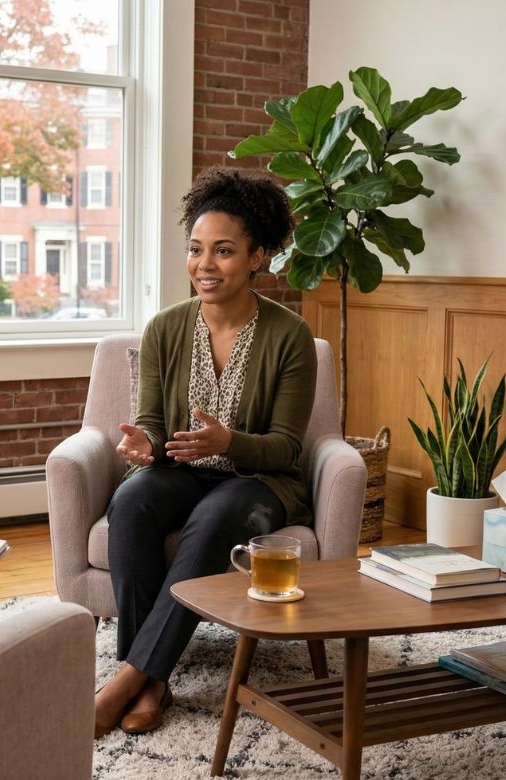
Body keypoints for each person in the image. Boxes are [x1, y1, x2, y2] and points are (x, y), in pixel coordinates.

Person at [93, 167, 316, 738]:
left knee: (217, 516)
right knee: (132, 501)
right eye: (196, 249)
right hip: (183, 471)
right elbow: (151, 424)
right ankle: (152, 682)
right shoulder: (164, 329)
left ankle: (129, 679)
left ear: (257, 256)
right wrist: (144, 445)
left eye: (223, 250)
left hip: (259, 482)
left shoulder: (290, 335)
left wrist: (228, 443)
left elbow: (288, 447)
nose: (204, 264)